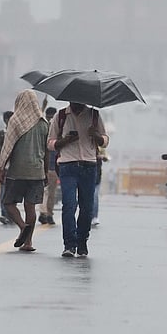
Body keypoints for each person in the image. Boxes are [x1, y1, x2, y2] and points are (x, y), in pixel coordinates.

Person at [48, 100, 108, 258]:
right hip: (67, 165)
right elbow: (50, 143)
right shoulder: (61, 116)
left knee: (87, 207)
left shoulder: (94, 115)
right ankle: (69, 244)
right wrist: (65, 140)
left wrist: (96, 136)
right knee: (69, 205)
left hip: (89, 166)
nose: (75, 104)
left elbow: (105, 140)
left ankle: (82, 242)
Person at [0, 89, 49, 253]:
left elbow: (8, 147)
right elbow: (46, 151)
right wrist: (45, 171)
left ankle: (22, 226)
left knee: (8, 203)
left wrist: (2, 167)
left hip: (17, 171)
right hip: (37, 171)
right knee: (30, 207)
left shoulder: (15, 121)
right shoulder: (43, 123)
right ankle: (28, 242)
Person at [37, 104, 58, 226]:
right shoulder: (56, 130)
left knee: (46, 192)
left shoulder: (43, 128)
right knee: (49, 192)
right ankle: (47, 214)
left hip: (46, 165)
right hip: (51, 166)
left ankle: (45, 213)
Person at [92, 146, 109, 227]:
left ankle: (95, 217)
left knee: (95, 196)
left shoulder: (100, 146)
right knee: (86, 197)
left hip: (97, 175)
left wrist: (102, 157)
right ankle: (87, 216)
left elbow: (106, 157)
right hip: (86, 173)